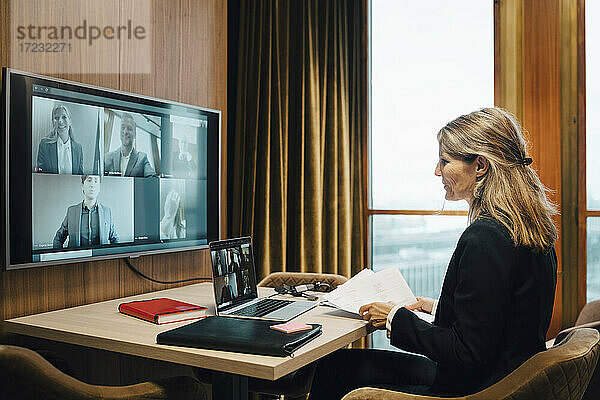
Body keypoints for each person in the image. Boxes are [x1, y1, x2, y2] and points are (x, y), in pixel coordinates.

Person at [308, 107, 558, 399]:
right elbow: (500, 321)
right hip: (506, 379)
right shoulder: (530, 228)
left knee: (334, 371)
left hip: (474, 389)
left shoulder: (485, 237)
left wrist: (394, 318)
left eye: (445, 161)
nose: (437, 171)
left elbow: (466, 352)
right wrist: (438, 308)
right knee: (341, 364)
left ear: (480, 166)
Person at [53, 175, 119, 248]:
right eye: (89, 180)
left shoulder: (107, 212)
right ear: (82, 185)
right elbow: (58, 239)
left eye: (96, 181)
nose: (92, 185)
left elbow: (115, 239)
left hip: (101, 258)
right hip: (78, 258)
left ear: (99, 187)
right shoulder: (72, 211)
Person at [36, 103, 84, 175]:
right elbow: (40, 175)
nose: (60, 121)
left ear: (70, 121)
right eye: (56, 118)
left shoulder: (78, 149)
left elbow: (80, 178)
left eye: (64, 117)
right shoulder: (44, 145)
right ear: (53, 123)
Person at [104, 113, 156, 177]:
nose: (125, 132)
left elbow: (153, 179)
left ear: (135, 134)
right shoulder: (107, 158)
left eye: (129, 128)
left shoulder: (142, 158)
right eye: (123, 127)